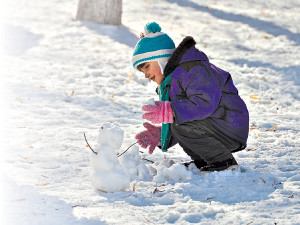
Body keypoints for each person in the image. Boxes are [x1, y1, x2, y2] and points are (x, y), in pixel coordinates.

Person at [133, 22, 249, 173]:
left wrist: (170, 112)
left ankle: (223, 162)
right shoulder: (173, 82)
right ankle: (205, 160)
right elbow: (184, 118)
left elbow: (204, 103)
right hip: (218, 125)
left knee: (178, 117)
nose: (147, 75)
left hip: (229, 125)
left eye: (147, 67)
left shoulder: (193, 69)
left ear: (161, 58)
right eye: (143, 72)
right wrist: (162, 134)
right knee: (178, 117)